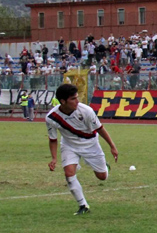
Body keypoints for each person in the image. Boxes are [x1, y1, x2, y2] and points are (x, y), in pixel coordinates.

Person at [46, 83, 118, 215]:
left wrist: (112, 146)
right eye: (73, 99)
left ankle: (104, 167)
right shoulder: (51, 117)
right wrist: (54, 158)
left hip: (90, 144)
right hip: (69, 145)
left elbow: (100, 128)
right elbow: (52, 139)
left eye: (77, 97)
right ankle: (83, 205)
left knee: (102, 177)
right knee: (69, 173)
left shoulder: (86, 111)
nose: (77, 101)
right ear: (63, 101)